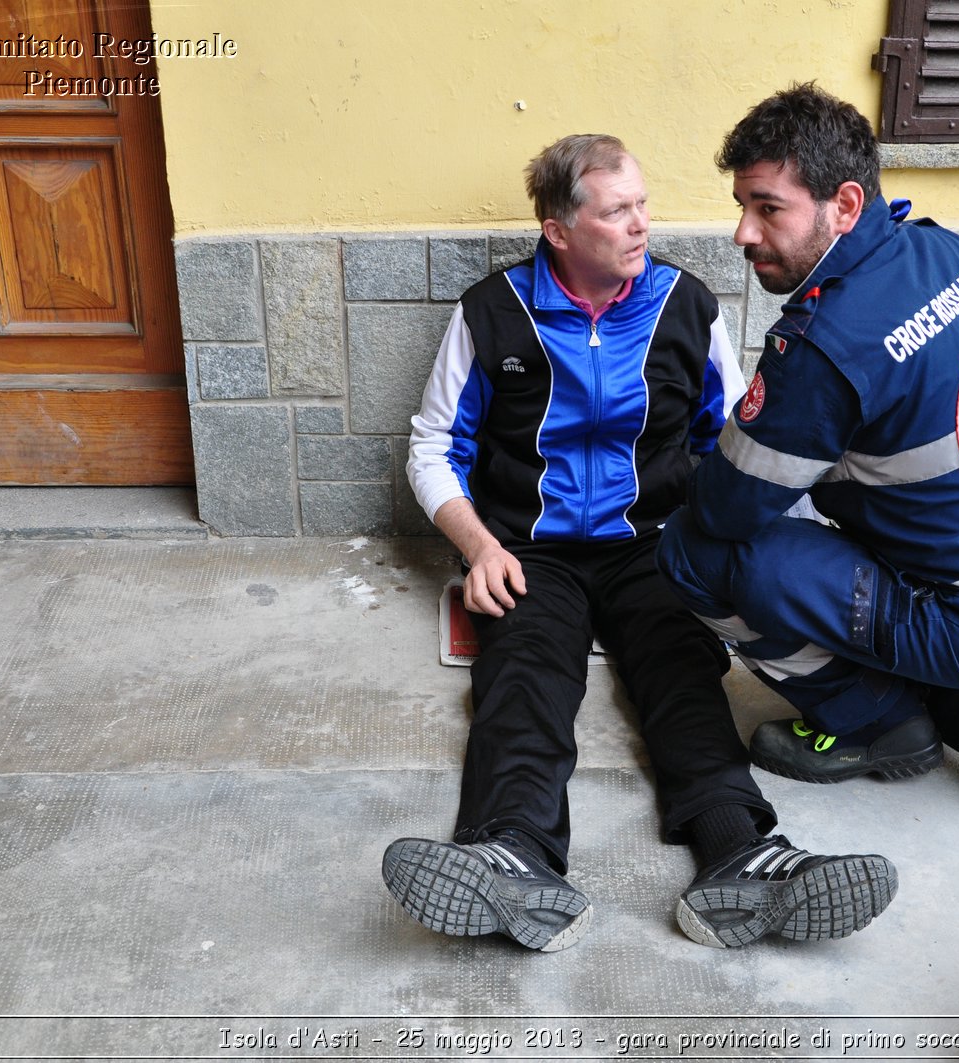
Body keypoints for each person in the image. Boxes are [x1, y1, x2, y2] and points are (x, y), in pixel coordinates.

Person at [383, 133, 896, 952]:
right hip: (530, 549)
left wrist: (733, 551)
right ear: (559, 227)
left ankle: (743, 852)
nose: (640, 225)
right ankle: (510, 852)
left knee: (683, 672)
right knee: (522, 677)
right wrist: (480, 547)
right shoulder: (491, 313)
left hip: (654, 541)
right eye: (618, 210)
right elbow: (431, 445)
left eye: (643, 205)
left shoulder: (685, 306)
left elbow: (740, 439)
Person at [658, 84, 959, 807]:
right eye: (743, 206)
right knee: (846, 508)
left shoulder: (825, 348)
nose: (743, 233)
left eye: (768, 207)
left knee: (693, 551)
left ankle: (878, 719)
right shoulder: (948, 251)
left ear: (846, 205)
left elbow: (728, 509)